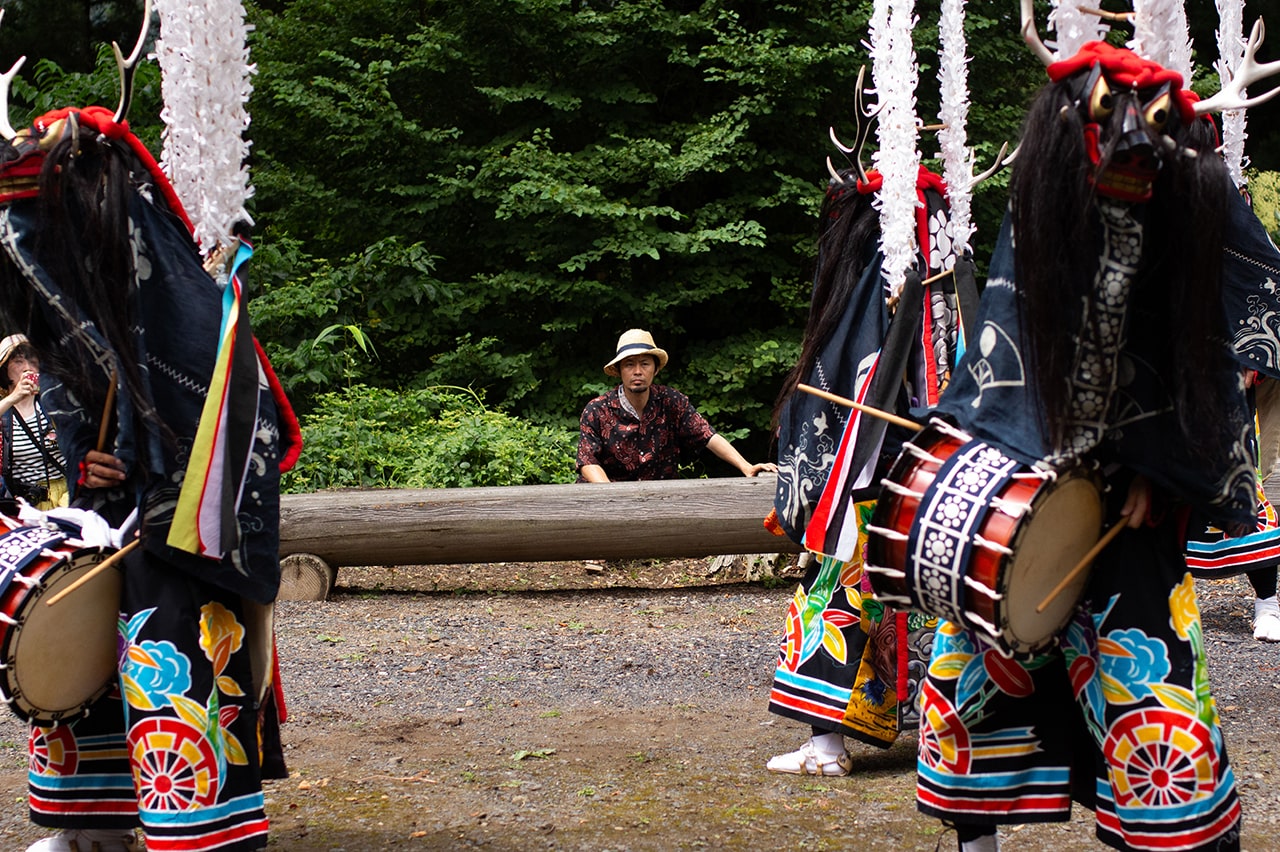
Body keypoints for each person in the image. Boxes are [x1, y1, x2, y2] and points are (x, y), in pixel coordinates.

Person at [886, 36, 1280, 852]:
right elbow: (1004, 346)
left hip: (1137, 511)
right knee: (981, 660)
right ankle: (976, 836)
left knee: (1150, 678)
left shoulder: (1183, 213)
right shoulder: (1044, 214)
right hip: (1030, 481)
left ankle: (1162, 825)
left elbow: (1199, 360)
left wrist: (1162, 475)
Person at [0, 103, 299, 851]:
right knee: (77, 619)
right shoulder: (90, 291)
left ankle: (198, 822)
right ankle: (90, 825)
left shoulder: (186, 297)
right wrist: (84, 458)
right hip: (108, 507)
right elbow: (75, 381)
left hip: (186, 504)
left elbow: (228, 411)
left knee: (172, 634)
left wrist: (151, 462)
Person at [764, 163, 971, 775]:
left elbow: (857, 378)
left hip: (872, 473)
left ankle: (827, 744)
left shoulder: (897, 286)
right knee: (938, 589)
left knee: (843, 593)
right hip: (936, 467)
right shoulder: (943, 284)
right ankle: (960, 733)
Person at [576, 328, 777, 482]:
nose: (637, 371)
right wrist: (613, 497)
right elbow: (587, 461)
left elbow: (707, 435)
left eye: (644, 363)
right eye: (629, 364)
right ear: (619, 370)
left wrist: (746, 466)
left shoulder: (671, 401)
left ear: (655, 369)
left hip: (660, 503)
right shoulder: (597, 410)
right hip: (605, 506)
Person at [0, 334, 67, 510]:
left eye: (33, 361)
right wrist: (13, 398)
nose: (28, 368)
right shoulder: (4, 413)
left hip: (69, 498)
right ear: (4, 369)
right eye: (19, 361)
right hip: (29, 505)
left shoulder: (55, 403)